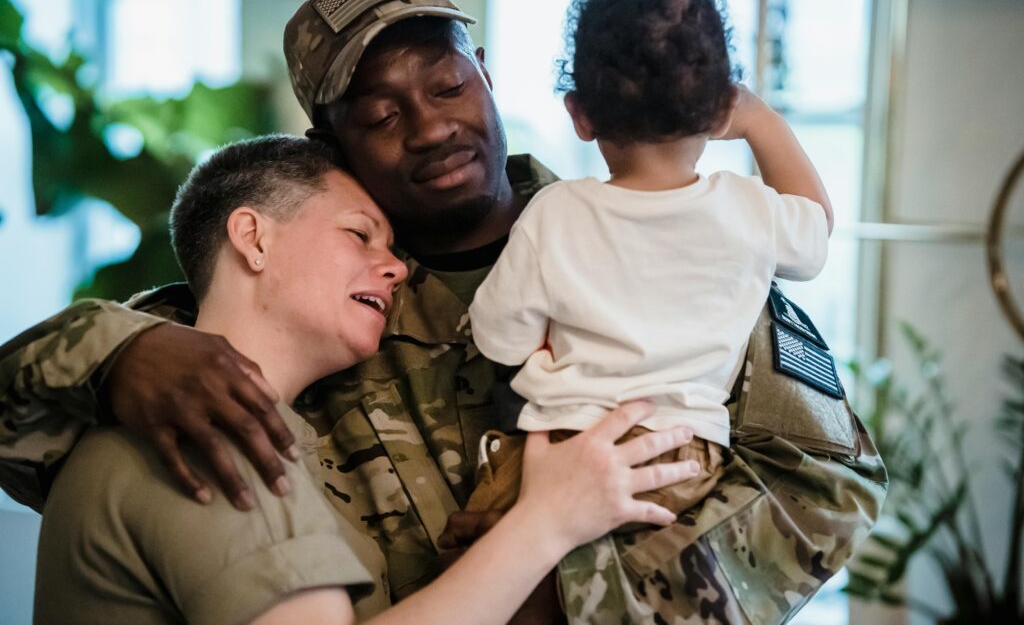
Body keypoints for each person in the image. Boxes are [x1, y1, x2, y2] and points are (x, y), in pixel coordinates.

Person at [1, 0, 886, 624]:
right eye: (381, 115)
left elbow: (829, 482)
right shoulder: (328, 297)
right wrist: (119, 354)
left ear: (488, 73)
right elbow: (26, 426)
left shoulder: (666, 237)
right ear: (330, 139)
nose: (430, 125)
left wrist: (564, 589)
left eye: (448, 83)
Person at [33, 134, 698, 625]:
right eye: (361, 235)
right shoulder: (209, 431)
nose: (396, 268)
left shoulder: (268, 433)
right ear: (253, 238)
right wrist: (550, 519)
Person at [465, 0, 832, 541]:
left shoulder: (555, 212)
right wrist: (761, 120)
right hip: (680, 461)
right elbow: (816, 233)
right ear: (719, 111)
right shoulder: (747, 211)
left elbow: (497, 338)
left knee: (493, 561)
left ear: (580, 115)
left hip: (560, 448)